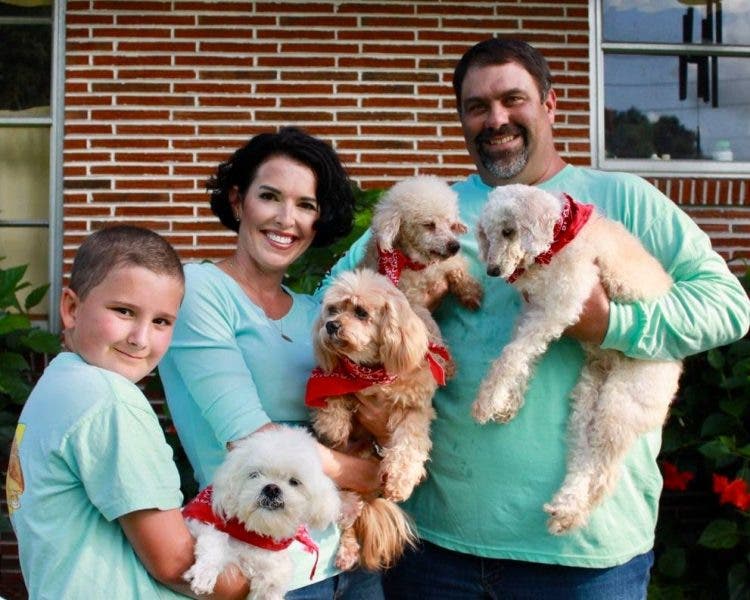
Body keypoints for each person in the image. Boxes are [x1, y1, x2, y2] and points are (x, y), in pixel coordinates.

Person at [323, 38, 750, 599]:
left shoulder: (624, 200)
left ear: (551, 105)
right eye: (477, 106)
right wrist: (388, 309)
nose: (495, 119)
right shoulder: (431, 214)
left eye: (512, 99)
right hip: (436, 547)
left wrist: (608, 325)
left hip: (584, 556)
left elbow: (728, 307)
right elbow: (331, 304)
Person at [158, 126, 387, 599]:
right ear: (239, 201)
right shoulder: (201, 291)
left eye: (306, 205)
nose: (288, 219)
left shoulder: (315, 313)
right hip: (264, 566)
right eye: (270, 197)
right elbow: (249, 439)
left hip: (351, 560)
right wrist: (367, 475)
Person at [6, 225, 249, 599]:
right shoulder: (110, 400)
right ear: (71, 308)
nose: (140, 338)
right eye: (123, 311)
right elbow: (175, 562)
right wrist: (268, 579)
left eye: (161, 321)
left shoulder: (56, 384)